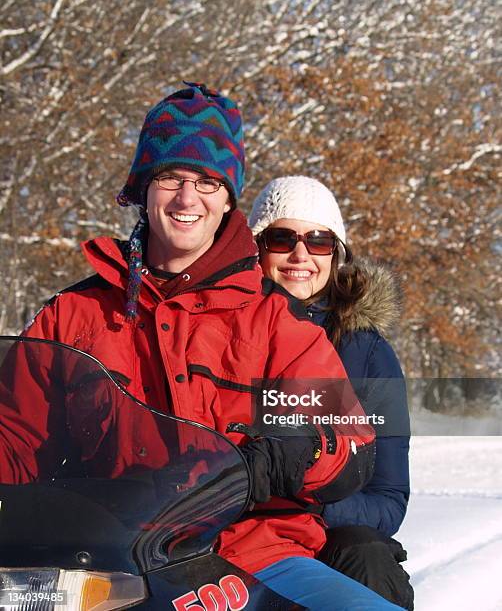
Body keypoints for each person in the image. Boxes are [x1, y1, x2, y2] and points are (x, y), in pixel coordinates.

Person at [1, 83, 403, 609]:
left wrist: (283, 456)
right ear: (143, 188)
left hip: (254, 553)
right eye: (171, 177)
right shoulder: (71, 316)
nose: (188, 198)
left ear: (229, 198)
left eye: (209, 182)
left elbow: (343, 440)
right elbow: (15, 441)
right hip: (102, 562)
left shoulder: (275, 321)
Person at [249, 175, 414, 610]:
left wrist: (306, 509)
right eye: (282, 238)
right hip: (229, 527)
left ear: (337, 255)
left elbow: (387, 499)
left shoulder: (366, 352)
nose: (300, 254)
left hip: (329, 534)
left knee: (368, 558)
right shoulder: (221, 331)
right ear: (256, 248)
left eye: (319, 241)